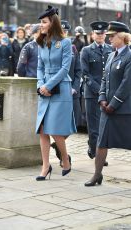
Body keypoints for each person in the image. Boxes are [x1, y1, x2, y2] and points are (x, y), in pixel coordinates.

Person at [85, 21, 131, 186]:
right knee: (101, 142)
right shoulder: (112, 55)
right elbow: (104, 79)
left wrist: (113, 104)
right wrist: (102, 99)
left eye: (112, 36)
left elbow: (127, 84)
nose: (109, 38)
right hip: (107, 108)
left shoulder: (129, 56)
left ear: (122, 36)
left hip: (124, 110)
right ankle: (97, 175)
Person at [35, 5, 76, 181]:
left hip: (61, 89)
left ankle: (65, 159)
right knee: (43, 130)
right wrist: (41, 85)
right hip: (44, 89)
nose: (41, 25)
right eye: (41, 23)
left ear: (53, 23)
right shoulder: (41, 43)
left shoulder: (66, 43)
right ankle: (45, 166)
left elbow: (65, 68)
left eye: (44, 22)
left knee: (56, 130)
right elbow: (39, 67)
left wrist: (49, 85)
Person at [80, 21, 112, 165]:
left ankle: (99, 152)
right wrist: (99, 90)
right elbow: (85, 74)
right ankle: (95, 152)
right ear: (92, 34)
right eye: (97, 33)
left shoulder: (111, 49)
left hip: (108, 94)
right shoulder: (86, 50)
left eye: (103, 33)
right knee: (94, 127)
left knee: (105, 127)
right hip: (92, 94)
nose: (100, 36)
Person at [51, 20, 82, 167]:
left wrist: (74, 87)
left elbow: (78, 70)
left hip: (72, 92)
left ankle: (58, 144)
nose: (63, 33)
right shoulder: (51, 46)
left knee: (75, 121)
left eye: (66, 31)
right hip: (57, 91)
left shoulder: (73, 48)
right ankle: (63, 155)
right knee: (58, 124)